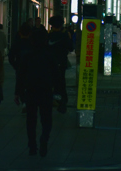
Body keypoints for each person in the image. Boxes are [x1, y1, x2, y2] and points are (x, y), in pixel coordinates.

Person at [19, 27, 58, 156]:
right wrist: (58, 92)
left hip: (30, 90)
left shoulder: (27, 55)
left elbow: (21, 75)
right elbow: (56, 75)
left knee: (31, 119)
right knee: (46, 118)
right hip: (46, 90)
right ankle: (44, 139)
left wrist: (18, 92)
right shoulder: (50, 55)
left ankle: (32, 145)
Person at [47, 15, 73, 113]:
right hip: (61, 62)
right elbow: (70, 48)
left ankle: (54, 98)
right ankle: (62, 101)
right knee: (61, 81)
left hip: (50, 62)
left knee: (51, 81)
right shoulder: (65, 35)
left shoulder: (49, 36)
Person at [8, 20, 34, 109]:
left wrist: (15, 65)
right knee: (29, 84)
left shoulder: (17, 44)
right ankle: (28, 100)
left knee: (20, 83)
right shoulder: (32, 44)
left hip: (19, 66)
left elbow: (11, 56)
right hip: (31, 68)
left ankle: (23, 100)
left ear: (20, 33)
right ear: (30, 33)